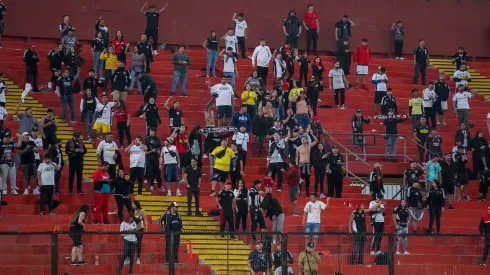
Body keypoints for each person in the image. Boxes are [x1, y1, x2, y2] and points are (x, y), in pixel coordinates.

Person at [132, 200, 147, 265]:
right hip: (133, 229)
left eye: (134, 204)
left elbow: (145, 220)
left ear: (137, 204)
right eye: (132, 204)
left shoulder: (142, 211)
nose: (133, 206)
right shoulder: (132, 212)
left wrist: (146, 228)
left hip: (140, 229)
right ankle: (130, 257)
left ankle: (138, 258)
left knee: (138, 243)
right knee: (132, 243)